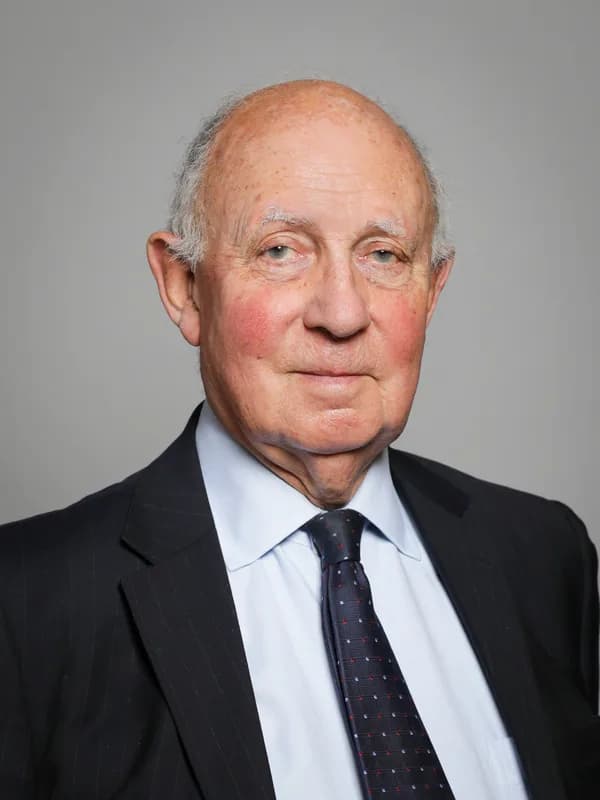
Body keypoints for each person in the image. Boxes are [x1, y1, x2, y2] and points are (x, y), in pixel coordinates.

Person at [0, 80, 598, 800]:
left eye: (383, 256)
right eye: (281, 250)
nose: (341, 314)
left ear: (433, 289)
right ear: (184, 286)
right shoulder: (25, 606)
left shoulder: (544, 555)